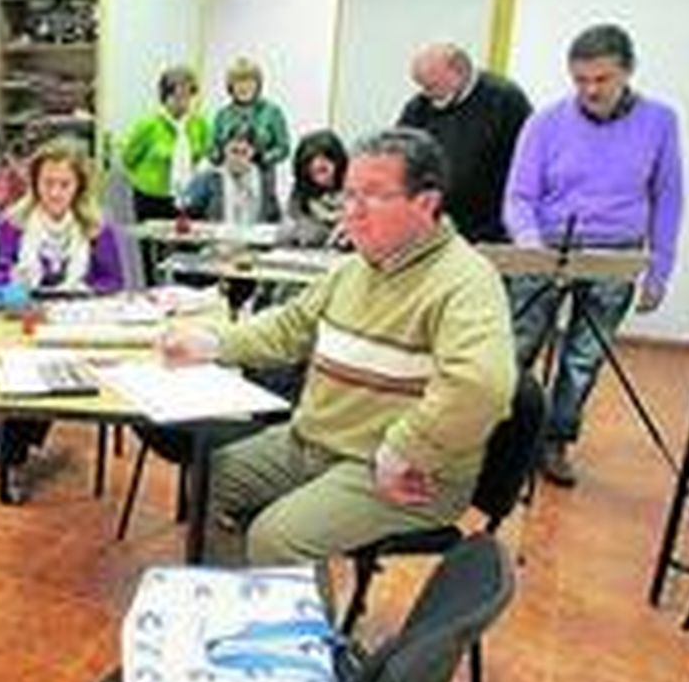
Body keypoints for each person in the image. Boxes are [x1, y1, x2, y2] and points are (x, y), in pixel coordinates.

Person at [154, 129, 515, 566]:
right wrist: (213, 342)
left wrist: (407, 448)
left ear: (426, 203)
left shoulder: (465, 280)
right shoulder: (353, 270)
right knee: (210, 478)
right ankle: (239, 596)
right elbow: (288, 328)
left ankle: (284, 608)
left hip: (400, 468)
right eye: (349, 195)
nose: (353, 212)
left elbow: (481, 386)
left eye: (373, 196)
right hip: (316, 444)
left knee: (278, 538)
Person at [504, 23, 684, 487]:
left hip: (616, 252)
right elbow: (519, 196)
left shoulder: (660, 121)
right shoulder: (545, 122)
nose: (590, 90)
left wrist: (659, 270)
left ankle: (554, 441)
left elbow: (668, 197)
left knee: (583, 358)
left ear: (628, 71)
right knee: (516, 347)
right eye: (580, 80)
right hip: (546, 246)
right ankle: (501, 435)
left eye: (602, 79)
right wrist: (530, 244)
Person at [0, 138, 125, 504]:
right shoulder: (13, 223)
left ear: (79, 186)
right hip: (24, 313)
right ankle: (14, 454)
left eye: (64, 184)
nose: (55, 192)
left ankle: (13, 448)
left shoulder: (97, 226)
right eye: (47, 183)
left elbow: (114, 282)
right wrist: (14, 283)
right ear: (35, 183)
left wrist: (82, 291)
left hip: (75, 316)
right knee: (28, 365)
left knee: (54, 366)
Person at [399, 42, 533, 243]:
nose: (427, 94)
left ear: (460, 71)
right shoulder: (419, 107)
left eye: (432, 86)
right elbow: (401, 154)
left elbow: (524, 164)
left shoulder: (505, 100)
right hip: (435, 224)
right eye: (422, 87)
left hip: (488, 225)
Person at [119, 65, 211, 277]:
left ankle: (186, 290)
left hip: (187, 197)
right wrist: (146, 178)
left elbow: (205, 154)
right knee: (152, 254)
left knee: (188, 250)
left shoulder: (199, 124)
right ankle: (152, 290)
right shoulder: (148, 125)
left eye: (187, 96)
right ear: (165, 96)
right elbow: (128, 158)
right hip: (152, 197)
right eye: (176, 96)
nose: (182, 103)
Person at [182, 127, 282, 228]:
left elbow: (274, 220)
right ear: (224, 150)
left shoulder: (264, 183)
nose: (238, 158)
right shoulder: (208, 179)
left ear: (253, 152)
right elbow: (187, 211)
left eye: (244, 152)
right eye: (234, 151)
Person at [209, 57, 290, 172]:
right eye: (238, 82)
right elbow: (212, 149)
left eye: (249, 81)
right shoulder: (222, 115)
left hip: (262, 174)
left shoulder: (272, 112)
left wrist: (261, 157)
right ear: (231, 86)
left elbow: (284, 148)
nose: (244, 87)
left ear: (258, 84)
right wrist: (223, 154)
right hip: (228, 175)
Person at [279, 129, 349, 248]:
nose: (318, 164)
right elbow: (286, 234)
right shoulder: (300, 196)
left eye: (326, 159)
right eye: (311, 161)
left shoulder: (355, 190)